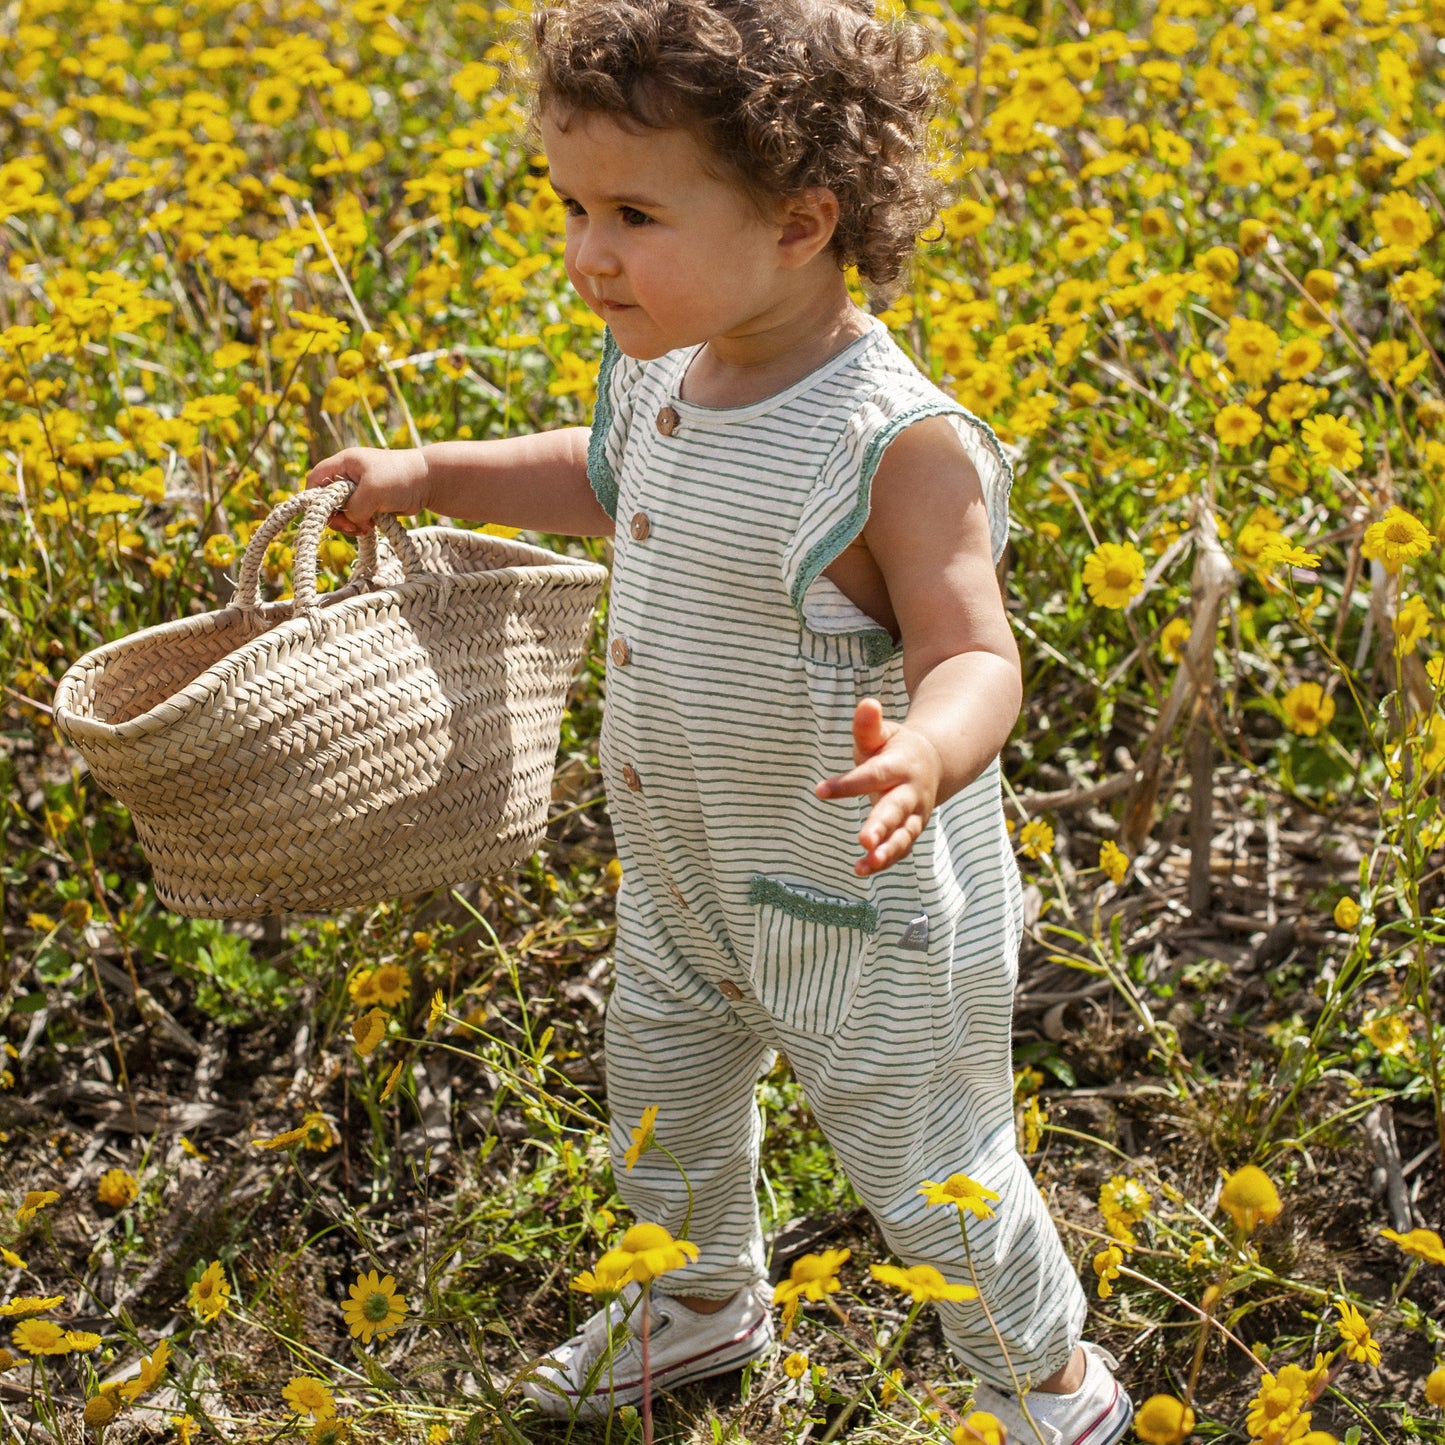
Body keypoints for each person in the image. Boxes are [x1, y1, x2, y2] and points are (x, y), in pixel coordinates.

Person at [306, 0, 1132, 1438]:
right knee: (661, 1089)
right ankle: (698, 1299)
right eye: (570, 204)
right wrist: (434, 472)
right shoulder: (665, 369)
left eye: (632, 211)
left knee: (925, 1153)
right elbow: (602, 476)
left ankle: (1047, 1383)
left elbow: (975, 652)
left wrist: (929, 751)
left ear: (802, 223)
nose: (586, 252)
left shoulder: (895, 442)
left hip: (861, 895)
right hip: (686, 858)